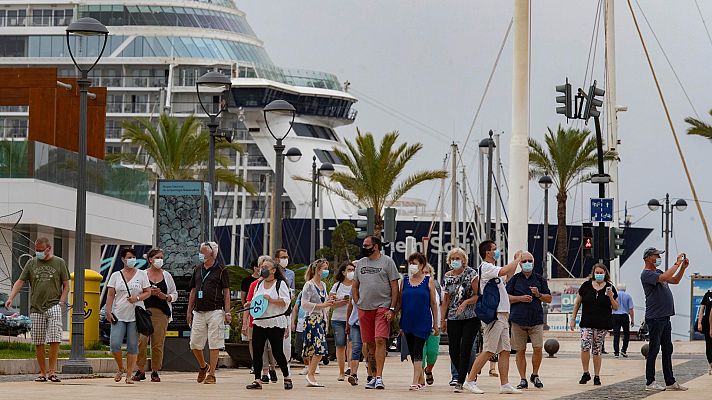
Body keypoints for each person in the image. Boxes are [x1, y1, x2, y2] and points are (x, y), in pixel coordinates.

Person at [5, 237, 69, 383]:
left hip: (54, 305)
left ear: (49, 249)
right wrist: (11, 297)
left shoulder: (59, 262)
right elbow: (20, 281)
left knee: (54, 338)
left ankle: (52, 371)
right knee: (38, 341)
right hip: (36, 307)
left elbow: (66, 285)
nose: (38, 253)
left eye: (41, 250)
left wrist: (61, 302)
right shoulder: (31, 263)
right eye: (37, 250)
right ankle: (42, 372)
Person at [463, 240, 523, 395]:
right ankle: (469, 381)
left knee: (505, 350)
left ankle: (505, 384)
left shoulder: (493, 270)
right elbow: (504, 271)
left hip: (503, 314)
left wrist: (515, 261)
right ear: (487, 253)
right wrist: (517, 258)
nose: (497, 252)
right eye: (494, 249)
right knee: (489, 350)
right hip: (494, 315)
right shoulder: (486, 267)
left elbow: (508, 274)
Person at [352, 235, 400, 390]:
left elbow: (394, 287)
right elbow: (355, 285)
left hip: (383, 307)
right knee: (369, 343)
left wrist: (392, 308)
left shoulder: (388, 262)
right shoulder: (360, 263)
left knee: (380, 339)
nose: (364, 248)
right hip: (364, 308)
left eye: (367, 245)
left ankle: (379, 377)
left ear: (376, 246)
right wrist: (358, 302)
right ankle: (372, 376)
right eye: (363, 245)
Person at [641, 248, 689, 391]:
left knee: (667, 349)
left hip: (665, 317)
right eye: (656, 255)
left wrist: (682, 268)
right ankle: (650, 382)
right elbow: (665, 277)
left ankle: (670, 381)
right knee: (654, 349)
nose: (658, 258)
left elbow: (674, 279)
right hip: (655, 318)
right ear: (649, 258)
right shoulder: (647, 274)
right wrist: (677, 263)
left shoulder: (659, 272)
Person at [105, 247, 151, 384]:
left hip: (135, 315)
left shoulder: (142, 274)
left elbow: (148, 292)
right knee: (115, 344)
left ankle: (129, 375)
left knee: (132, 346)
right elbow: (110, 294)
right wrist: (108, 310)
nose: (131, 260)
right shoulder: (115, 275)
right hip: (118, 314)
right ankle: (120, 367)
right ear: (123, 259)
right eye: (128, 257)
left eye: (133, 257)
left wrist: (137, 298)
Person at [245, 257, 293, 390]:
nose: (263, 269)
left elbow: (286, 301)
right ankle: (257, 379)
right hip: (260, 321)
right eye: (262, 267)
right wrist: (250, 304)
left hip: (275, 322)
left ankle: (286, 375)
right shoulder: (259, 284)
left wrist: (271, 300)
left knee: (277, 351)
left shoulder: (280, 284)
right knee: (257, 349)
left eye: (266, 267)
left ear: (273, 270)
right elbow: (256, 300)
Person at [506, 251, 551, 390]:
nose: (527, 263)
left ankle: (535, 374)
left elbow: (548, 298)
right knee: (520, 350)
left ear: (533, 262)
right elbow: (506, 297)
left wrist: (538, 294)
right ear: (519, 263)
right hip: (518, 320)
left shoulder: (540, 279)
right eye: (524, 261)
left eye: (529, 261)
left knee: (538, 348)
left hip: (536, 320)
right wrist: (520, 298)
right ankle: (523, 379)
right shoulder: (514, 279)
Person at [187, 242, 230, 385]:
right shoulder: (197, 269)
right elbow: (193, 291)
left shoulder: (221, 270)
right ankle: (203, 366)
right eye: (200, 251)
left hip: (216, 310)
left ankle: (212, 375)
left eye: (203, 252)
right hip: (198, 311)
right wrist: (189, 311)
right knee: (194, 344)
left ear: (212, 254)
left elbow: (226, 291)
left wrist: (227, 311)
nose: (200, 254)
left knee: (214, 342)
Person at [570, 263, 618, 387]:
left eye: (601, 273)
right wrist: (573, 319)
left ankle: (597, 375)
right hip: (587, 322)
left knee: (597, 350)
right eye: (597, 272)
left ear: (605, 274)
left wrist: (611, 297)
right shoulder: (586, 286)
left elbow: (616, 307)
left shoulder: (609, 287)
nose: (599, 275)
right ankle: (586, 372)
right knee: (585, 345)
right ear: (593, 273)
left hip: (601, 324)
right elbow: (577, 303)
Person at [135, 248, 178, 382]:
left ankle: (155, 371)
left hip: (161, 313)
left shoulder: (167, 276)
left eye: (162, 257)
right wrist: (148, 293)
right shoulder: (142, 274)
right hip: (144, 312)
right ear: (150, 260)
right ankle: (140, 370)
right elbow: (136, 292)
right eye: (157, 257)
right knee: (142, 341)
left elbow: (174, 294)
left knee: (157, 343)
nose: (160, 260)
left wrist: (164, 296)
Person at [398, 252, 439, 391]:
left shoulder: (429, 281)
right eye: (411, 263)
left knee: (418, 351)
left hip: (423, 321)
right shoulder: (404, 281)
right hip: (407, 321)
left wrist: (436, 324)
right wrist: (392, 314)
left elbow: (433, 303)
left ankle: (415, 381)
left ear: (422, 265)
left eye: (415, 263)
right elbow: (399, 302)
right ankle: (420, 378)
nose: (412, 266)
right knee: (411, 350)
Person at [441, 247, 479, 392]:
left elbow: (477, 295)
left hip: (470, 316)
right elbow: (445, 300)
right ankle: (465, 374)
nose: (455, 261)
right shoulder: (447, 276)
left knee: (466, 348)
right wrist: (442, 320)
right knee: (453, 349)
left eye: (458, 258)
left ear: (464, 260)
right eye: (453, 259)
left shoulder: (471, 274)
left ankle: (460, 380)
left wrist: (465, 302)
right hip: (453, 317)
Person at [300, 259, 334, 387]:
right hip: (312, 319)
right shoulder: (309, 285)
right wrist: (321, 305)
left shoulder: (323, 285)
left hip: (321, 319)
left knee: (317, 348)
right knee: (319, 348)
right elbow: (304, 304)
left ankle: (311, 373)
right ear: (317, 270)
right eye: (324, 268)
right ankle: (311, 373)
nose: (326, 271)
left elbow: (325, 303)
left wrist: (328, 303)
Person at [330, 261, 355, 381]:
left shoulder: (356, 284)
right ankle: (341, 371)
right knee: (340, 345)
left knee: (351, 345)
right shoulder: (337, 286)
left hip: (352, 318)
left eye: (353, 270)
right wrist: (342, 302)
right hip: (338, 319)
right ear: (343, 272)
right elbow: (331, 303)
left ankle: (350, 369)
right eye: (349, 270)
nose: (351, 272)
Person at [420, 263, 442, 387]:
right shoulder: (416, 287)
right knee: (420, 352)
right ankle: (419, 375)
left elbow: (441, 304)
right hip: (420, 324)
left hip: (435, 324)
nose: (425, 275)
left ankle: (428, 370)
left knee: (433, 353)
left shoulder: (437, 287)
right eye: (423, 272)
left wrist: (440, 321)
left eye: (427, 272)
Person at [241, 260, 261, 367]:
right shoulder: (247, 281)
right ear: (254, 267)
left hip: (262, 313)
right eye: (257, 266)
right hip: (251, 311)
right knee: (251, 339)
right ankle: (255, 362)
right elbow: (244, 298)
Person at [612, 283, 635, 358]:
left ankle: (616, 352)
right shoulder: (628, 296)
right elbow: (631, 309)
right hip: (624, 316)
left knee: (616, 334)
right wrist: (632, 319)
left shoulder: (614, 296)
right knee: (626, 334)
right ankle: (624, 350)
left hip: (615, 316)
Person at [698, 286, 712, 375]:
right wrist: (699, 322)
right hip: (707, 323)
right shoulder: (707, 295)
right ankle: (710, 364)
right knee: (709, 344)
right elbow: (702, 310)